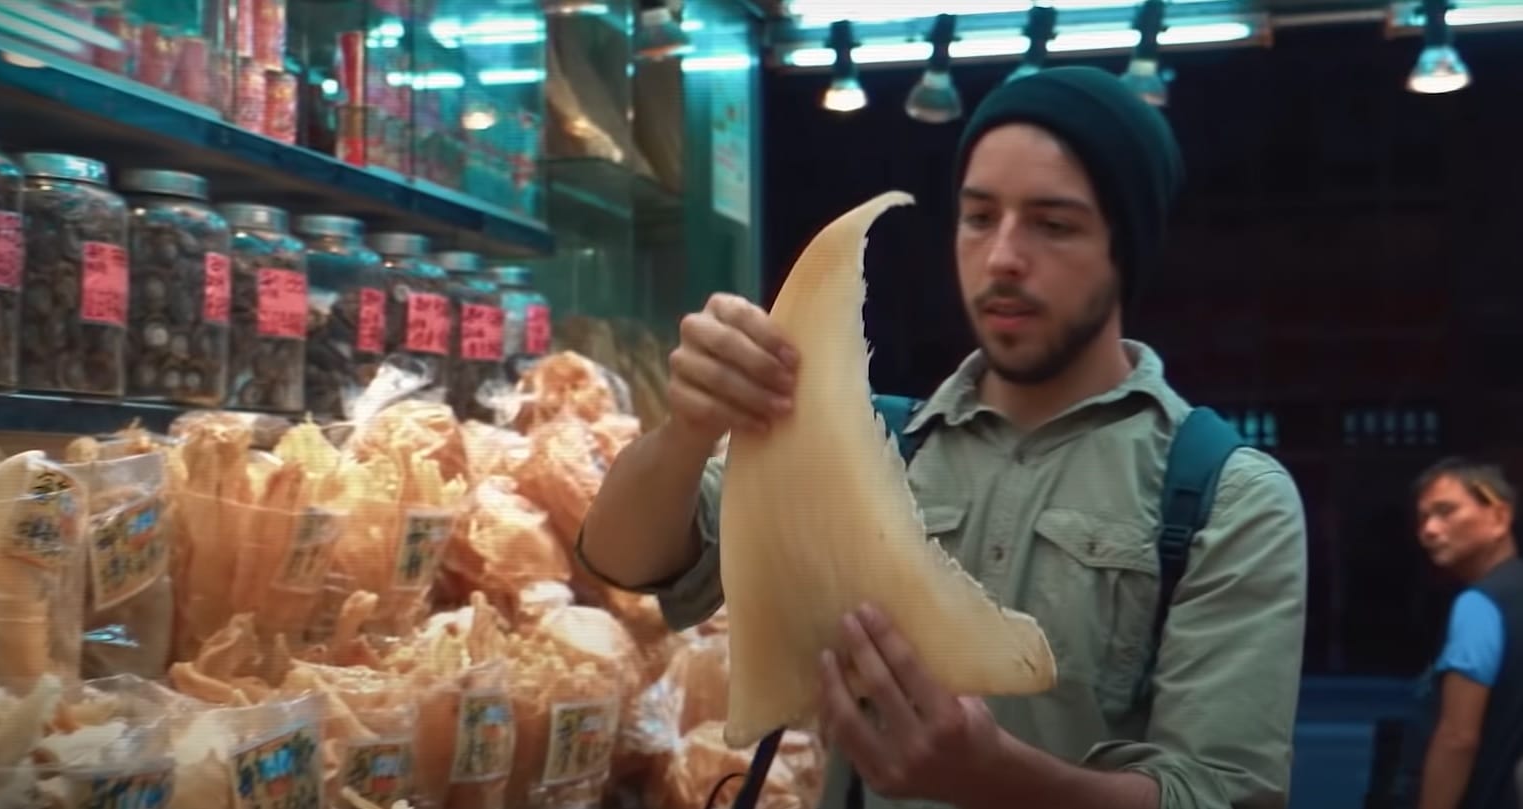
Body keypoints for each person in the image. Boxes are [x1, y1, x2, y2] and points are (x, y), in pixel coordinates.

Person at [576, 65, 1308, 809]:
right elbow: (622, 559)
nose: (1003, 256)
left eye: (1053, 224)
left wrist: (998, 780)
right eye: (979, 217)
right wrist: (690, 426)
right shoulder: (866, 444)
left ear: (1127, 248)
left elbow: (1224, 793)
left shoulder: (1225, 499)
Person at [1398, 458, 1523, 809]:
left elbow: (1458, 737)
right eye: (1423, 518)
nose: (1429, 530)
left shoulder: (1480, 605)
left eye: (1446, 511)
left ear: (1499, 517)